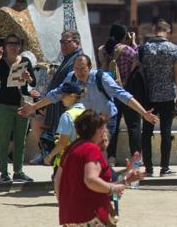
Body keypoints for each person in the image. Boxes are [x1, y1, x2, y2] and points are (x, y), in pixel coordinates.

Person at [19, 53, 159, 162]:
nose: (79, 72)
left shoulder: (101, 78)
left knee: (98, 150)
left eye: (83, 69)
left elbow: (123, 95)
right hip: (87, 121)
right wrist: (34, 107)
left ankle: (101, 183)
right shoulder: (71, 78)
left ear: (90, 68)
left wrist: (144, 113)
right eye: (76, 69)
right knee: (88, 152)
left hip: (106, 119)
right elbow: (55, 95)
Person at [54, 110, 146, 227]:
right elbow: (91, 180)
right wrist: (113, 188)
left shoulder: (70, 149)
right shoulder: (91, 149)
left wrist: (126, 179)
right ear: (97, 130)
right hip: (91, 215)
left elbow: (58, 179)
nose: (104, 132)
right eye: (103, 128)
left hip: (70, 216)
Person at [0, 33, 38, 182]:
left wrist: (28, 78)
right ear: (5, 46)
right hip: (4, 104)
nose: (13, 46)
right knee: (4, 139)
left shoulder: (26, 61)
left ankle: (18, 171)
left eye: (16, 44)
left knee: (20, 140)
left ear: (20, 46)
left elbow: (33, 82)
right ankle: (3, 172)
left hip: (21, 104)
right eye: (10, 44)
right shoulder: (1, 63)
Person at [138, 19, 177, 177]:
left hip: (149, 96)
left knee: (146, 133)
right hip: (167, 96)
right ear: (168, 31)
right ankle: (164, 168)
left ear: (154, 29)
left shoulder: (145, 48)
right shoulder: (173, 49)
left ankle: (148, 168)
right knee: (166, 131)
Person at [31, 29, 83, 165]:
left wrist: (41, 104)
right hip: (56, 106)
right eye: (61, 42)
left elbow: (68, 87)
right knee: (37, 122)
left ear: (77, 43)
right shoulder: (68, 58)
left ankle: (53, 157)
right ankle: (46, 154)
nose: (63, 45)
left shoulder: (77, 60)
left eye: (67, 42)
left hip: (67, 107)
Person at [98, 23, 143, 163]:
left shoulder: (103, 50)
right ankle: (135, 157)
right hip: (126, 91)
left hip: (110, 93)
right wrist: (134, 42)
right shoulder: (127, 50)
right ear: (125, 36)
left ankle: (111, 157)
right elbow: (139, 58)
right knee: (134, 125)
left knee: (113, 126)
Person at [44, 82, 87, 168]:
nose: (61, 98)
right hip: (84, 159)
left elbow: (63, 142)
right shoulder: (88, 112)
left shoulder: (67, 115)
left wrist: (50, 156)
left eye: (63, 95)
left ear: (72, 96)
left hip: (67, 162)